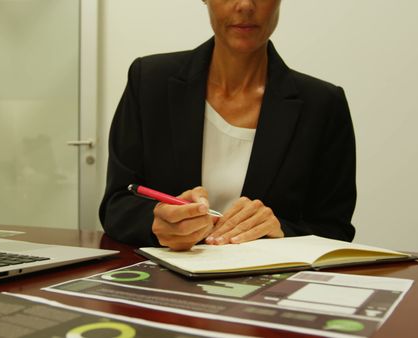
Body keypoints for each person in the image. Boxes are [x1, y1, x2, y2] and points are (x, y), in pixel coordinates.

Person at [99, 0, 356, 251]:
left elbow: (336, 229)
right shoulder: (149, 81)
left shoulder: (323, 104)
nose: (245, 5)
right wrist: (156, 222)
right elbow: (117, 204)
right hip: (163, 282)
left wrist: (281, 231)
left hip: (270, 285)